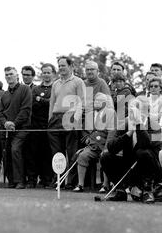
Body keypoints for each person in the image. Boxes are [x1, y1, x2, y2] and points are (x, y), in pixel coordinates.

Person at [100, 97, 162, 203]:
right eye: (130, 110)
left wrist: (138, 124)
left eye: (136, 110)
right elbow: (111, 147)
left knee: (142, 152)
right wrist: (128, 133)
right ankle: (120, 191)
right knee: (106, 157)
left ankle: (148, 191)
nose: (132, 113)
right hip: (130, 166)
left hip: (151, 169)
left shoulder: (155, 126)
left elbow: (146, 144)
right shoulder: (124, 124)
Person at [48, 56, 85, 188]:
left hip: (71, 117)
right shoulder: (56, 83)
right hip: (55, 119)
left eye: (63, 65)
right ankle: (58, 180)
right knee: (56, 152)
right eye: (59, 66)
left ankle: (71, 182)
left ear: (70, 66)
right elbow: (52, 103)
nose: (61, 68)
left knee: (71, 151)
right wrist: (50, 120)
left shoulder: (78, 82)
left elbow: (81, 102)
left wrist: (76, 119)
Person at [0, 67, 32, 189]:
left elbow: (26, 110)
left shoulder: (25, 89)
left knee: (15, 149)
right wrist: (6, 123)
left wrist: (14, 123)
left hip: (22, 128)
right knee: (6, 153)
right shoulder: (5, 94)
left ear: (17, 75)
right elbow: (0, 113)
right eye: (6, 74)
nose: (8, 76)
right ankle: (11, 181)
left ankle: (20, 181)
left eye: (11, 74)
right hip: (7, 129)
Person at [73, 92, 115, 192]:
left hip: (105, 145)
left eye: (100, 101)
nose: (97, 102)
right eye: (96, 100)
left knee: (105, 157)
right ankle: (80, 185)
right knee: (82, 156)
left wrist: (107, 147)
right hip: (92, 146)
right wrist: (87, 137)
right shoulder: (90, 114)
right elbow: (83, 130)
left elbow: (112, 132)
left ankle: (105, 185)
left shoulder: (110, 113)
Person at [25, 63, 55, 188]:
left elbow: (53, 104)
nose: (46, 75)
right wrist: (43, 101)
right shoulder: (35, 89)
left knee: (47, 154)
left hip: (49, 126)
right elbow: (33, 103)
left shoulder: (55, 87)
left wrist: (40, 100)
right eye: (44, 72)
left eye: (48, 72)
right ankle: (32, 180)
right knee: (33, 154)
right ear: (41, 74)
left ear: (53, 73)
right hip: (35, 126)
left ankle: (46, 180)